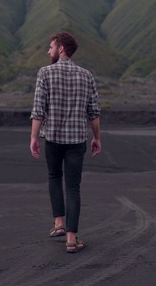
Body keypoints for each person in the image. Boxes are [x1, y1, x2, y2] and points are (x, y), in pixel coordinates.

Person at [29, 31, 101, 253]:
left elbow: (38, 110)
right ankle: (71, 238)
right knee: (73, 186)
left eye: (50, 47)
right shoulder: (86, 75)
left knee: (54, 176)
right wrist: (97, 137)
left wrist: (33, 137)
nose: (48, 51)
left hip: (52, 139)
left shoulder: (45, 73)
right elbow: (94, 112)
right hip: (77, 140)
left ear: (61, 49)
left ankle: (59, 223)